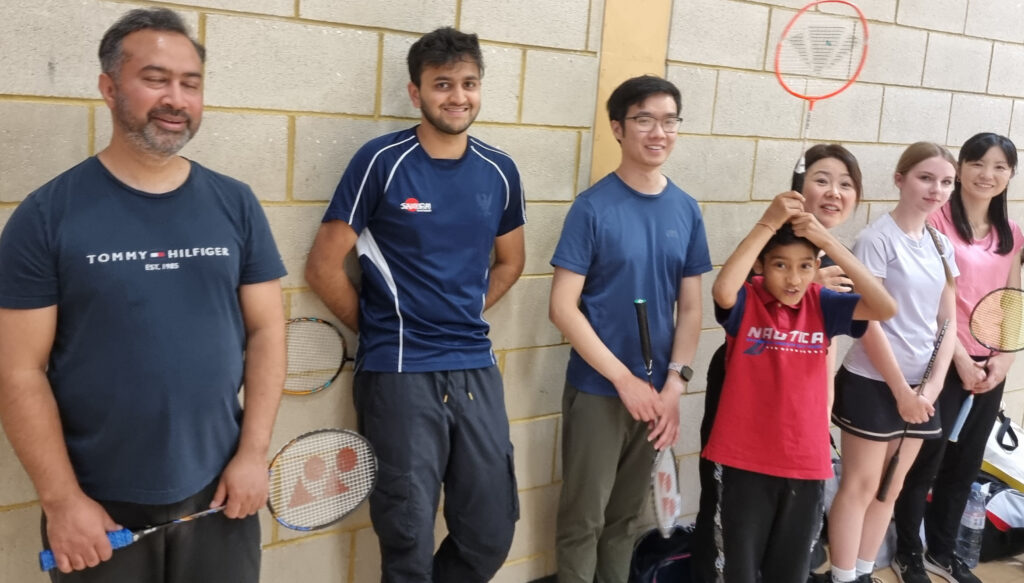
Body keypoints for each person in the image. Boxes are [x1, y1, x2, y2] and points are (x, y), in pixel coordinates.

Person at [0, 8, 286, 582]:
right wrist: (61, 502)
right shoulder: (46, 216)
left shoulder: (236, 205)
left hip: (221, 495)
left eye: (190, 83)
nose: (175, 99)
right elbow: (18, 372)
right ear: (109, 88)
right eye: (155, 79)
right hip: (97, 507)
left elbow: (267, 331)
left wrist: (253, 455)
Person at [304, 26, 525, 583]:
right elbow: (323, 266)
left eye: (469, 83)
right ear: (415, 92)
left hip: (475, 368)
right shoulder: (381, 161)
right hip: (399, 373)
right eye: (442, 84)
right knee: (406, 538)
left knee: (491, 530)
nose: (458, 96)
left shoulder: (500, 170)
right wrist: (381, 328)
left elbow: (511, 263)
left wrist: (467, 312)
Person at [549, 74, 712, 583]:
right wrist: (625, 381)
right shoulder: (591, 208)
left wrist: (674, 384)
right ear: (618, 129)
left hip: (658, 397)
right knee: (584, 522)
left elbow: (689, 310)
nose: (658, 132)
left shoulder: (685, 209)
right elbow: (562, 307)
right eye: (644, 119)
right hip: (601, 392)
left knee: (624, 524)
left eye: (668, 120)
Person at [691, 144, 865, 582]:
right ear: (797, 189)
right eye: (821, 180)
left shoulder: (839, 262)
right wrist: (804, 282)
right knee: (729, 517)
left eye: (846, 184)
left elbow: (866, 322)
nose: (833, 192)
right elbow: (733, 293)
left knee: (789, 540)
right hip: (746, 384)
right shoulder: (770, 249)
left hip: (800, 407)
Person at [891, 133, 1023, 583]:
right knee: (923, 462)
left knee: (964, 464)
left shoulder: (1013, 234)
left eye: (1000, 167)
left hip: (990, 369)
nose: (988, 175)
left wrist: (1003, 360)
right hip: (940, 361)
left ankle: (943, 552)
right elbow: (930, 301)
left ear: (1009, 177)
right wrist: (961, 361)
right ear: (961, 167)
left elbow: (1010, 301)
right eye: (978, 164)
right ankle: (907, 551)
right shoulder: (937, 223)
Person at [827, 142, 960, 583]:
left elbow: (947, 320)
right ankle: (844, 575)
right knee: (861, 485)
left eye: (945, 182)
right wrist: (902, 392)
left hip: (922, 392)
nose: (936, 189)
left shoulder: (941, 244)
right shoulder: (875, 240)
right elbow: (867, 322)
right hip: (873, 383)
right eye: (926, 178)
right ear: (900, 179)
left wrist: (932, 389)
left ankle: (864, 572)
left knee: (891, 487)